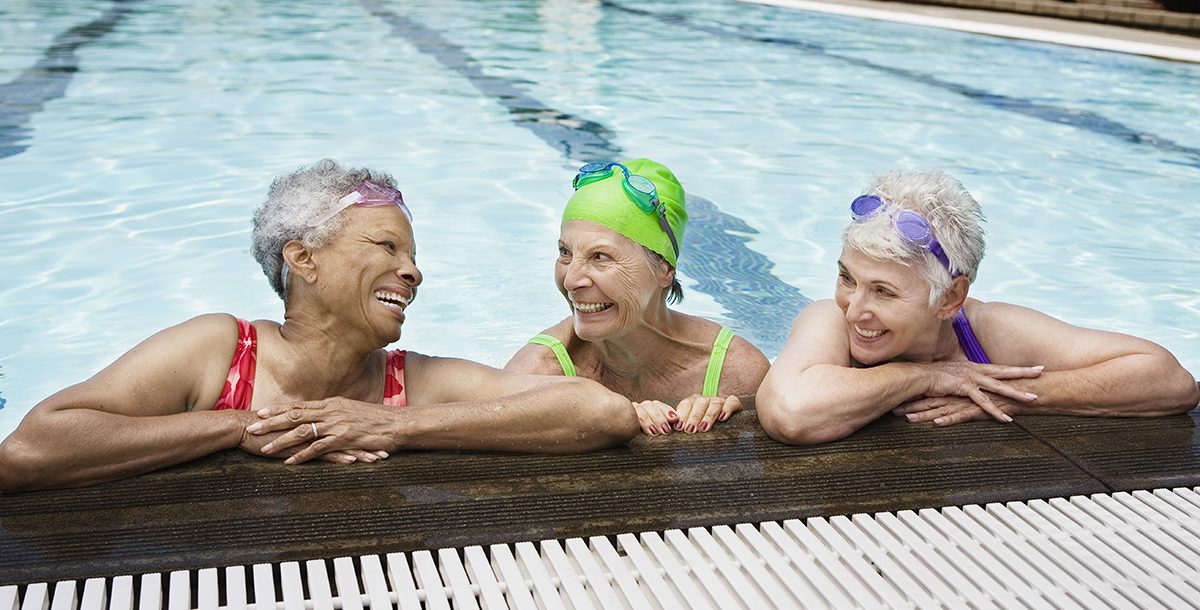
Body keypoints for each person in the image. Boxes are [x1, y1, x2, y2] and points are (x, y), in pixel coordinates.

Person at [0, 160, 638, 491]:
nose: (413, 272)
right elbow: (30, 450)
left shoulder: (409, 381)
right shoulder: (220, 352)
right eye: (387, 247)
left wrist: (392, 423)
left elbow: (602, 414)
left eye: (412, 256)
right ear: (302, 258)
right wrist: (240, 426)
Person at [757, 170, 1198, 445]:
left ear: (949, 298)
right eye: (847, 278)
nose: (855, 309)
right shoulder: (828, 320)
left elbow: (1170, 380)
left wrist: (1016, 396)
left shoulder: (988, 330)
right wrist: (928, 376)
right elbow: (791, 413)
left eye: (884, 292)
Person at [505, 159, 769, 436]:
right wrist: (607, 415)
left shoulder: (736, 372)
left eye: (600, 257)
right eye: (565, 253)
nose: (571, 280)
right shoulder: (537, 372)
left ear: (664, 271)